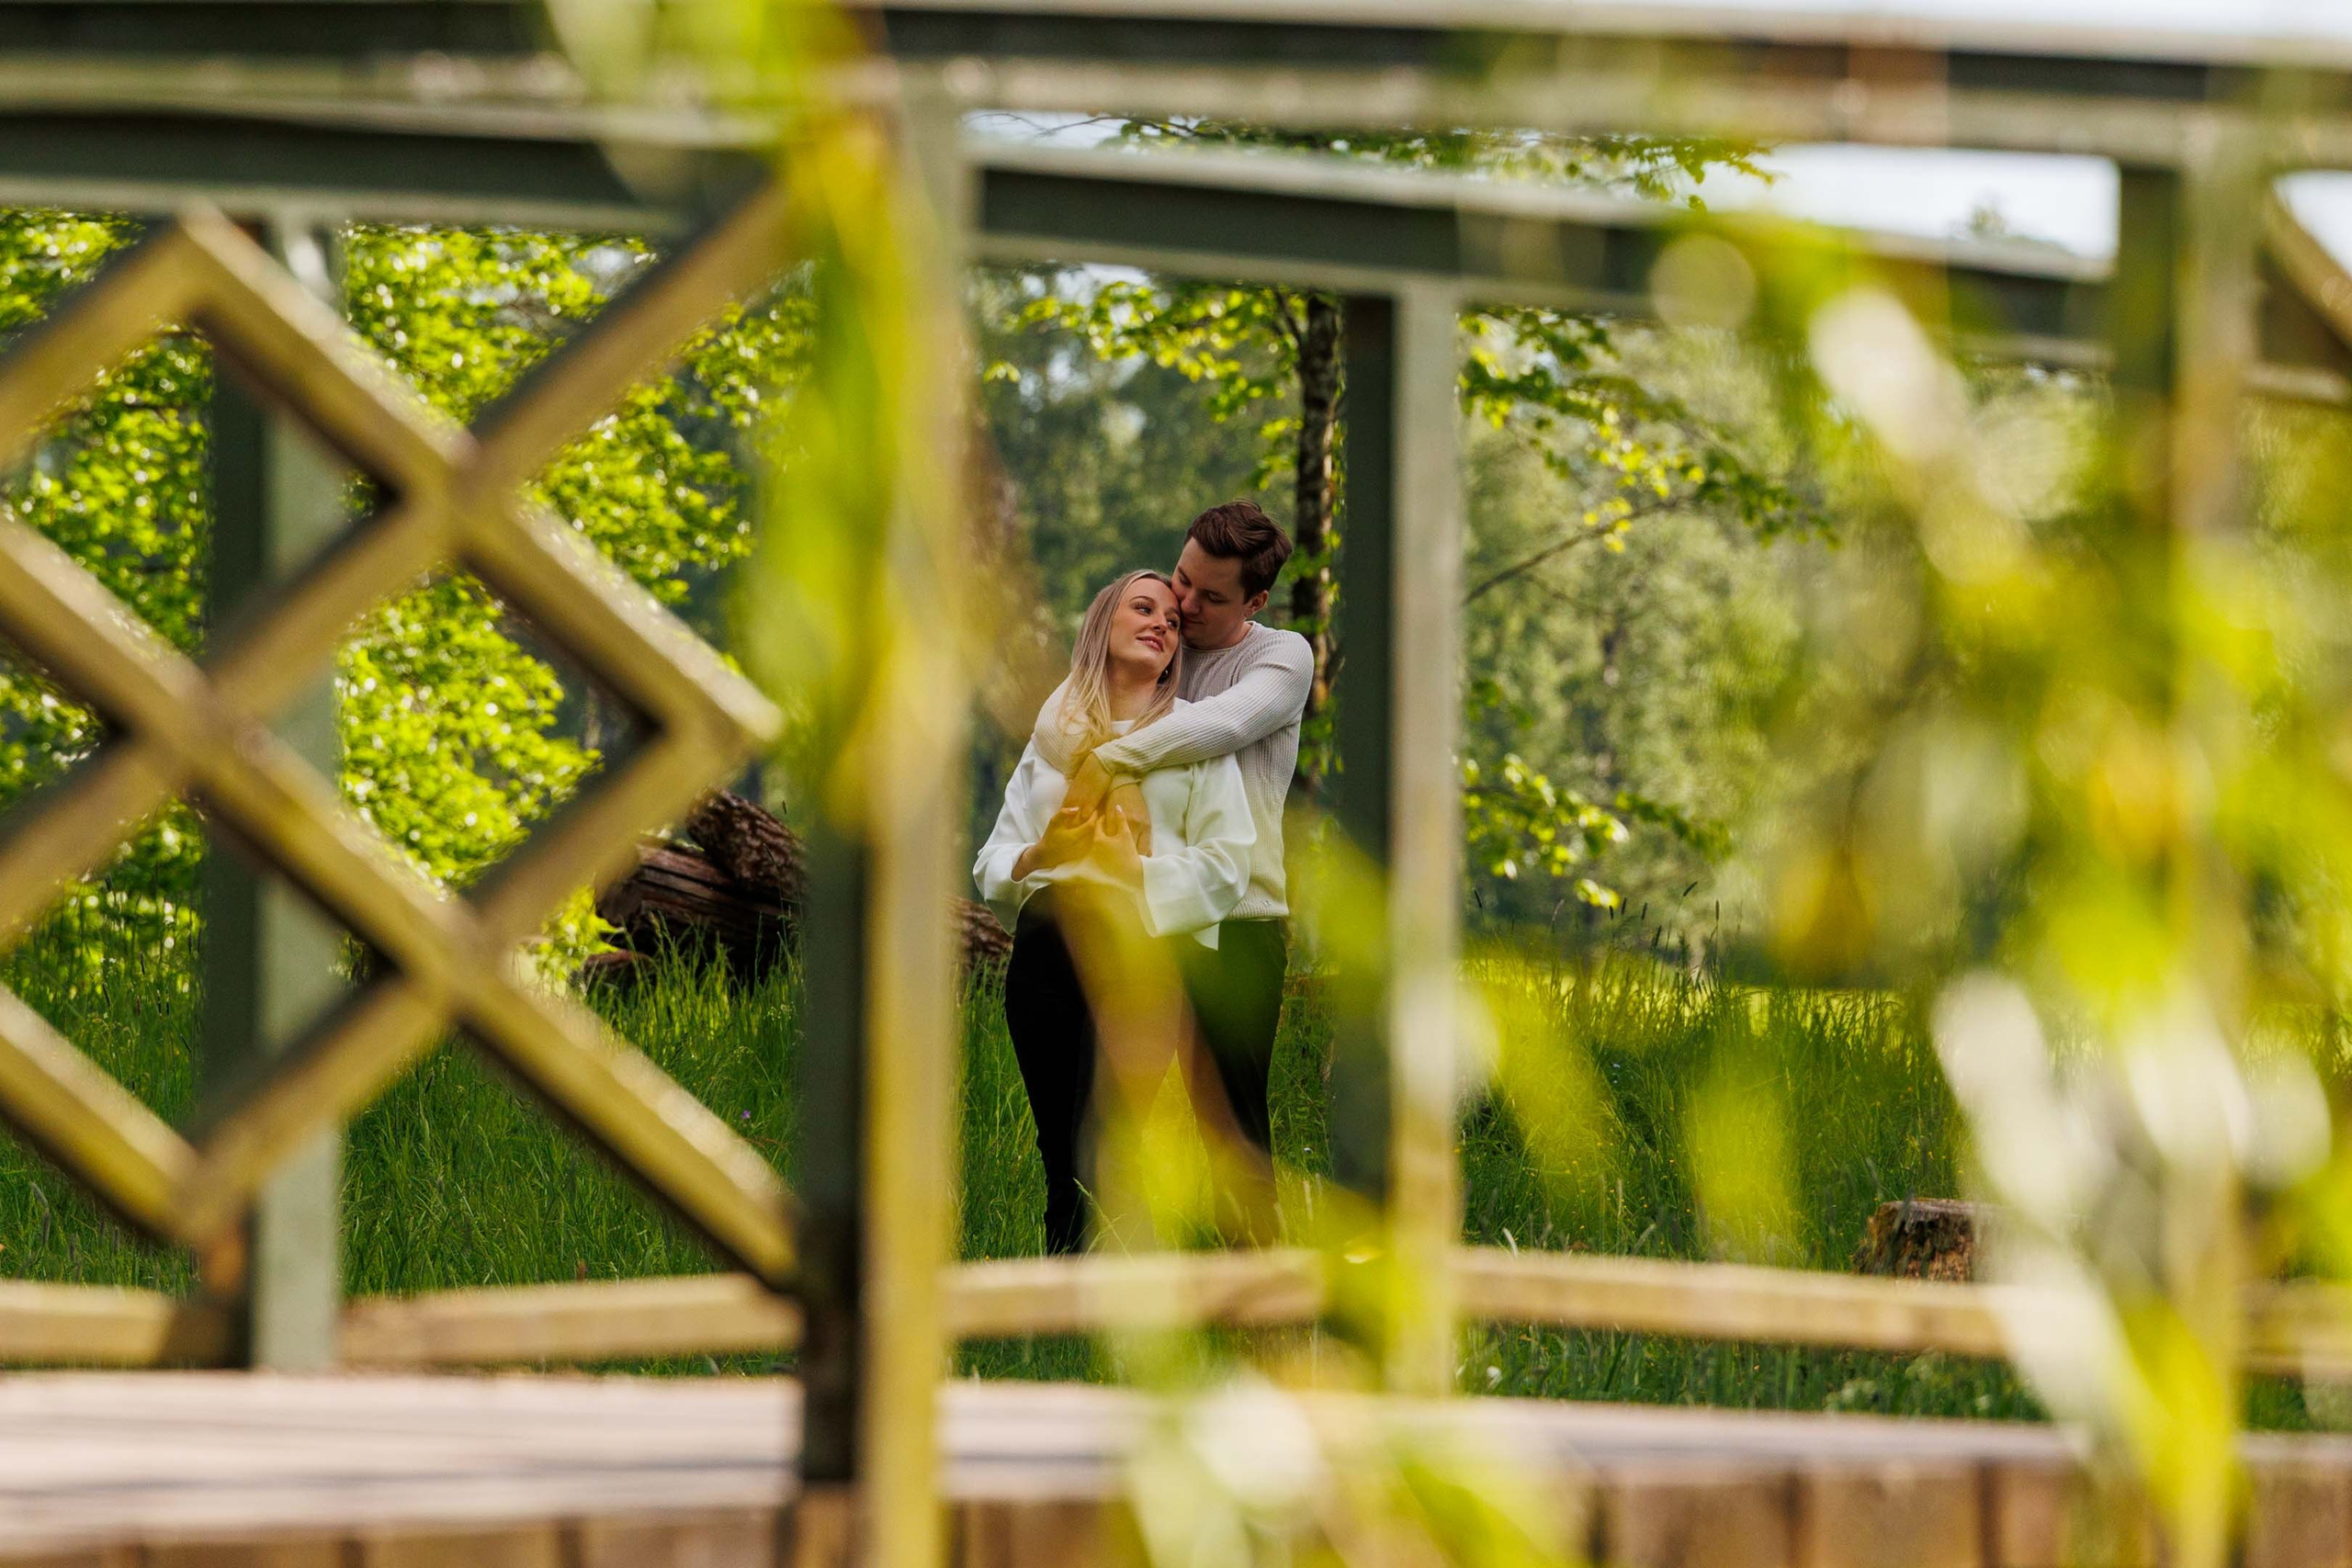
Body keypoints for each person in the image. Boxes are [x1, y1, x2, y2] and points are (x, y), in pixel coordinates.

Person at [1027, 502, 1312, 1225]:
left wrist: (1112, 758)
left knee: (1235, 1144)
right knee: (1106, 1137)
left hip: (1239, 922)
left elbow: (1220, 726)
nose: (1184, 604)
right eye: (1182, 579)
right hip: (1141, 914)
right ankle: (1079, 1312)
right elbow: (1062, 719)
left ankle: (1264, 1322)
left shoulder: (1281, 658)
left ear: (1255, 601)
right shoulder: (1159, 643)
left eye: (1211, 596)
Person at [975, 570, 1257, 1254]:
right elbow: (991, 864)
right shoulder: (1053, 739)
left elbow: (1229, 868)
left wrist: (1133, 869)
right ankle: (1065, 1282)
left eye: (1170, 618)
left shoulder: (1193, 739)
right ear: (1104, 623)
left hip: (1141, 946)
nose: (1162, 623)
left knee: (1102, 1130)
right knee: (1057, 1142)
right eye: (1143, 607)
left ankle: (1105, 1283)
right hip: (1046, 942)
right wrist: (1047, 849)